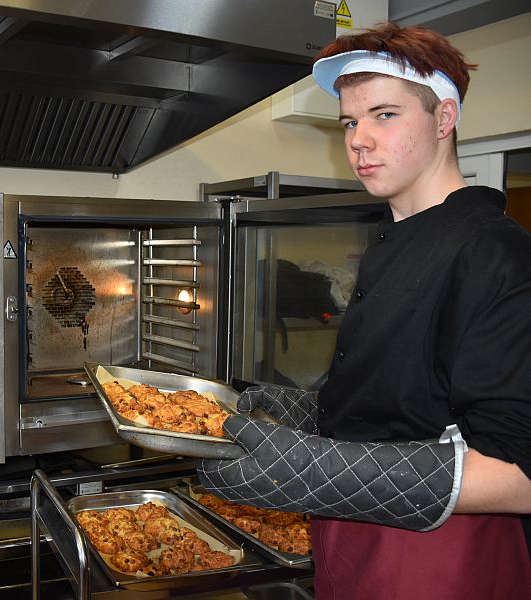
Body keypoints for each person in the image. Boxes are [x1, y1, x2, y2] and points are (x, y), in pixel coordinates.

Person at [198, 22, 531, 599]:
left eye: (385, 115)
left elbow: (520, 475)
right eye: (350, 122)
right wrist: (304, 413)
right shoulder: (391, 241)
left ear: (444, 118)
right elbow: (407, 404)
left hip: (437, 561)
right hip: (351, 543)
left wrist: (315, 470)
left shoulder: (493, 251)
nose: (359, 140)